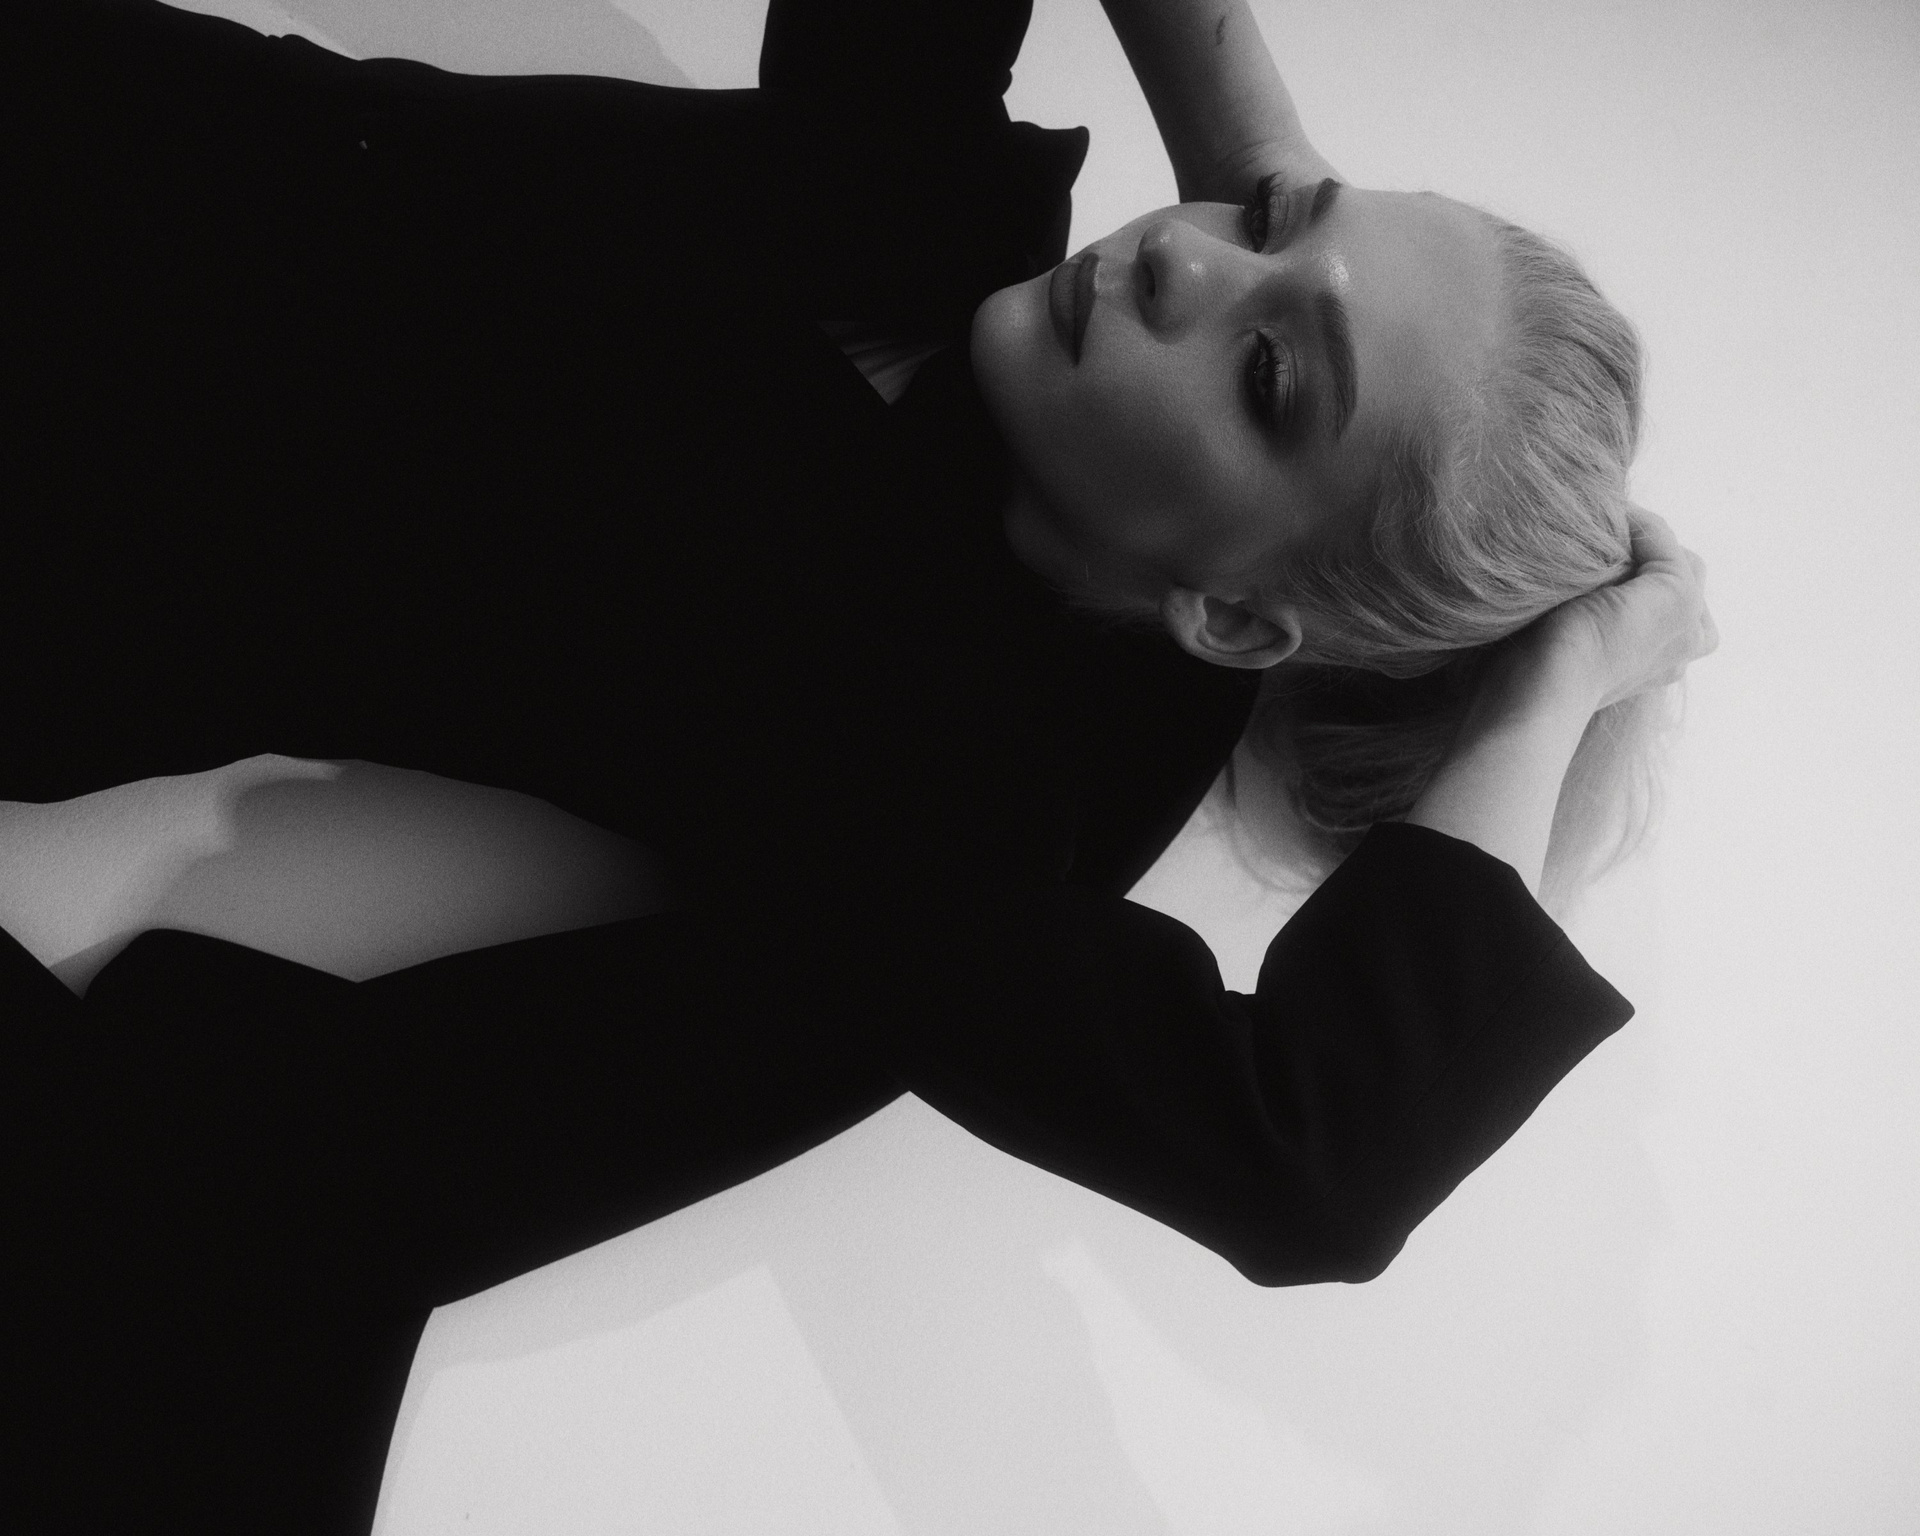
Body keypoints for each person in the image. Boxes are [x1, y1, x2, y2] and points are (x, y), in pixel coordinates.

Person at [4, 0, 1713, 1529]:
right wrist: (1260, 156)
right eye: (1259, 227)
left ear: (1241, 620)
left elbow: (1311, 1161)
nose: (1177, 266)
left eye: (1267, 375)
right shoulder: (924, 183)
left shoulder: (932, 784)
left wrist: (1554, 684)